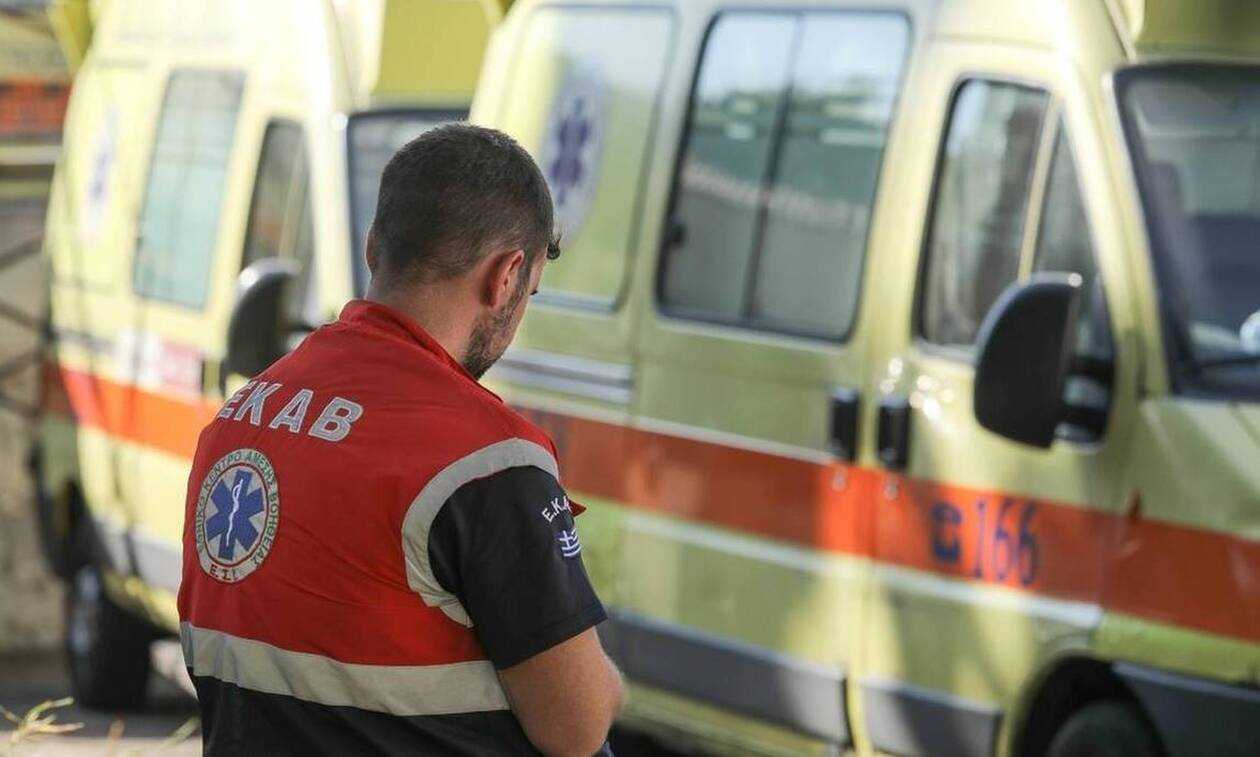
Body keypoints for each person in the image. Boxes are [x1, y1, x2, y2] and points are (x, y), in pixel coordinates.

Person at [177, 124, 623, 755]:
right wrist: (607, 686)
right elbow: (576, 728)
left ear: (373, 247)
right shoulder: (487, 459)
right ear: (506, 276)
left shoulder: (239, 417)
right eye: (530, 294)